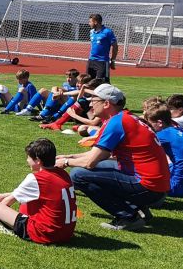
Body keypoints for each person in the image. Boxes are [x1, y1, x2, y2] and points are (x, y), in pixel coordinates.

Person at [56, 84, 170, 231]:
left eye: (94, 100)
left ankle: (128, 216)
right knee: (92, 168)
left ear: (106, 103)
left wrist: (66, 162)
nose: (90, 103)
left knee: (78, 175)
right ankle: (139, 209)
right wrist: (68, 157)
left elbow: (90, 162)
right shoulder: (123, 118)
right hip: (156, 186)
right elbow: (98, 155)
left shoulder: (117, 122)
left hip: (150, 187)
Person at [0, 139, 77, 244]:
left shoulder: (36, 178)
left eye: (28, 157)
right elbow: (40, 192)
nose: (27, 160)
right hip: (67, 233)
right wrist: (4, 195)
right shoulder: (63, 174)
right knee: (26, 202)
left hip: (45, 234)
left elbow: (6, 203)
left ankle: (9, 228)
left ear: (37, 160)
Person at [143, 103, 183, 198]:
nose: (148, 127)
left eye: (150, 124)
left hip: (176, 187)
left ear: (159, 123)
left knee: (137, 169)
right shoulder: (179, 130)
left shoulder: (163, 134)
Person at [86, 13, 117, 83]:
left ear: (96, 22)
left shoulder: (108, 32)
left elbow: (115, 46)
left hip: (102, 62)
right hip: (91, 60)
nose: (89, 24)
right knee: (88, 82)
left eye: (90, 22)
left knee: (103, 83)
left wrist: (113, 60)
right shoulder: (91, 32)